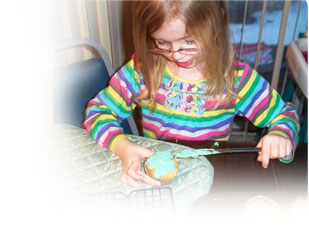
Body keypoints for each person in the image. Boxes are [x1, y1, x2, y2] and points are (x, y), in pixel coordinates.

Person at [83, 0, 299, 188]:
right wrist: (123, 147)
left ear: (216, 21)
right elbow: (97, 111)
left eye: (188, 41)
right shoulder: (142, 70)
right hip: (158, 177)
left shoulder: (236, 78)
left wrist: (281, 135)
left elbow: (285, 115)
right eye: (162, 43)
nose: (175, 54)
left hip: (212, 173)